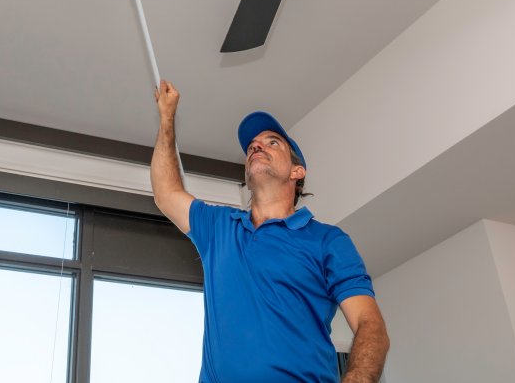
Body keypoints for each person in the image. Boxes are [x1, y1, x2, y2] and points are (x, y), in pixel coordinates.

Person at [151, 79, 389, 383]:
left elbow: (371, 325)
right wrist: (167, 118)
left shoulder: (327, 241)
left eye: (272, 142)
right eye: (252, 146)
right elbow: (166, 193)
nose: (256, 146)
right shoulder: (219, 227)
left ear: (296, 172)